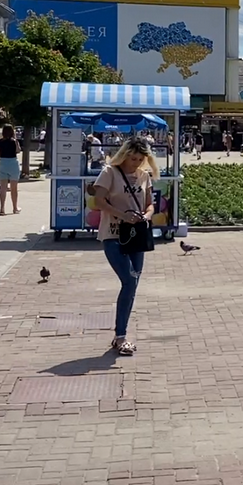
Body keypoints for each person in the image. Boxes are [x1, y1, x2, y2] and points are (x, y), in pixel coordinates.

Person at [93, 137, 157, 356]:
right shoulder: (110, 172)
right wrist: (123, 216)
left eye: (140, 159)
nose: (136, 163)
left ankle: (120, 333)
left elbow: (150, 203)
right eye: (132, 159)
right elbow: (98, 201)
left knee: (133, 284)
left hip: (137, 234)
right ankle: (121, 336)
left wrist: (146, 215)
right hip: (112, 233)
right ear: (124, 155)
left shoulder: (144, 176)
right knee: (129, 280)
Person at [0, 125, 22, 215]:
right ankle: (15, 208)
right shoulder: (14, 141)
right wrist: (16, 140)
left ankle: (2, 209)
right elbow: (18, 151)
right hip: (13, 163)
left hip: (2, 163)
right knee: (14, 188)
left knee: (3, 188)